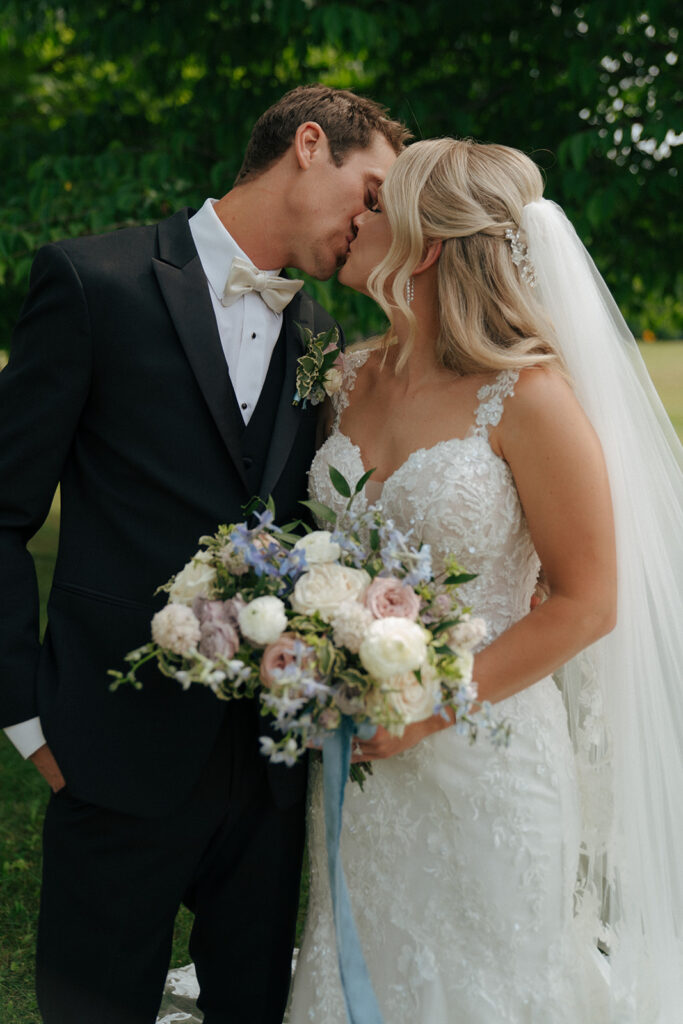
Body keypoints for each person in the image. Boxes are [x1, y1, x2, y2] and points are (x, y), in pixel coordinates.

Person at [0, 84, 405, 1024]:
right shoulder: (91, 283)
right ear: (310, 144)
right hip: (109, 750)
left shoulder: (322, 338)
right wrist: (27, 718)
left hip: (270, 774)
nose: (375, 220)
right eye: (373, 188)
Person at [289, 138, 683, 1022]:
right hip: (357, 752)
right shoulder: (345, 376)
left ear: (423, 247)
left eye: (378, 205)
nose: (357, 215)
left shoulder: (529, 396)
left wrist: (427, 708)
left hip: (486, 750)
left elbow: (588, 601)